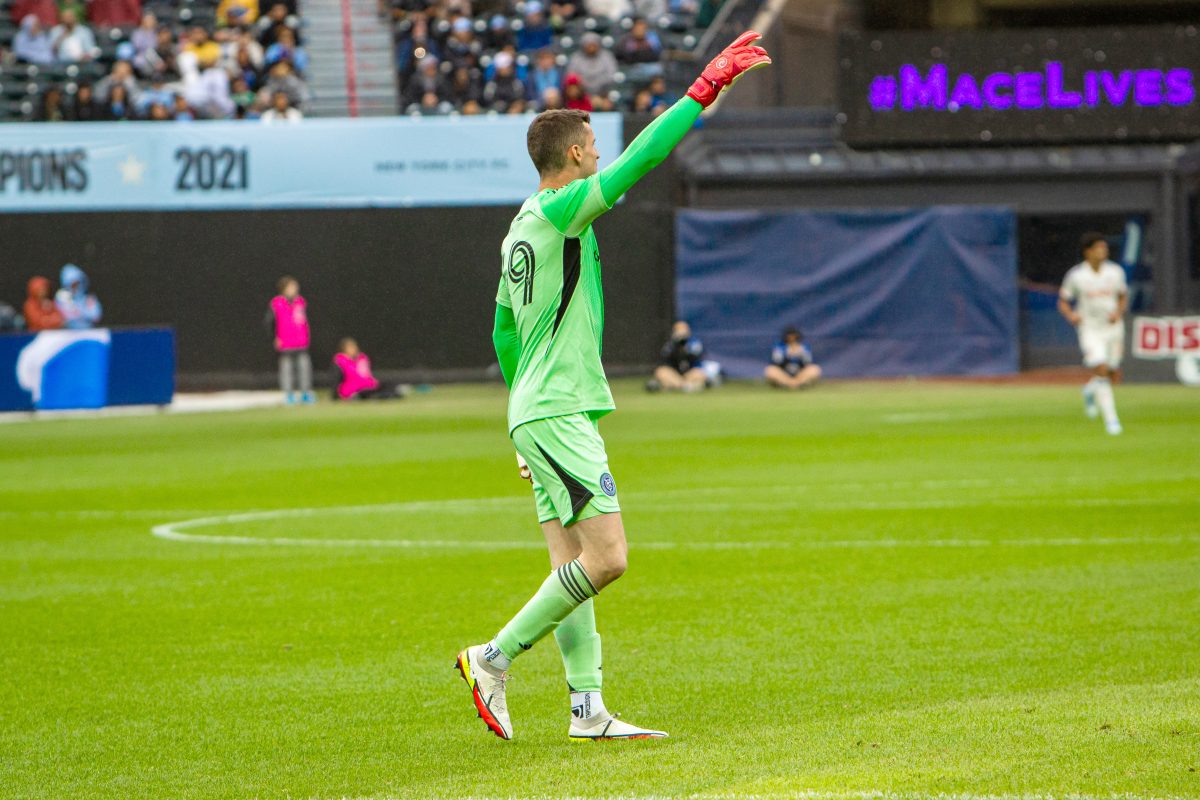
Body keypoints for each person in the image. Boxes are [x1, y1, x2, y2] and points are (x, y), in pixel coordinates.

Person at [455, 31, 770, 742]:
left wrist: (520, 421)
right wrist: (704, 89)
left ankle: (586, 709)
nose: (600, 153)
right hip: (556, 408)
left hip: (537, 409)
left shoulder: (518, 230)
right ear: (572, 155)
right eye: (593, 145)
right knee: (608, 558)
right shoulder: (563, 210)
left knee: (570, 562)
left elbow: (503, 332)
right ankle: (492, 658)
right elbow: (644, 159)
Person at [1058, 232, 1128, 435]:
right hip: (1090, 328)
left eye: (1104, 247)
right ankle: (1112, 421)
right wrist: (1071, 315)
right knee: (1101, 368)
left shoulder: (1115, 272)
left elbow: (1122, 296)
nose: (1103, 251)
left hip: (1113, 328)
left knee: (1112, 373)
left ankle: (1089, 390)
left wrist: (1118, 312)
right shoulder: (1076, 275)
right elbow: (1063, 300)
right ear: (1087, 251)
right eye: (1098, 248)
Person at [648, 319, 711, 392]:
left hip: (690, 372)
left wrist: (685, 348)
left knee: (699, 373)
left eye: (684, 329)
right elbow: (665, 357)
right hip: (675, 374)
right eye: (679, 330)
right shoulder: (670, 344)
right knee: (661, 371)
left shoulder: (694, 343)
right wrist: (676, 344)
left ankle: (671, 386)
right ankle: (684, 386)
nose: (681, 332)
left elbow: (697, 355)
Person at [332, 338, 401, 400]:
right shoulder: (340, 362)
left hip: (368, 385)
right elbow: (336, 381)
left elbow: (366, 375)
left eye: (354, 346)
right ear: (343, 349)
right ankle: (383, 396)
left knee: (389, 384)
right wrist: (337, 396)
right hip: (355, 390)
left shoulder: (361, 359)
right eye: (350, 347)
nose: (353, 349)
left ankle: (386, 395)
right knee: (367, 392)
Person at [566, 32, 616, 98]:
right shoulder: (576, 57)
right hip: (582, 92)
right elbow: (571, 75)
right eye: (588, 45)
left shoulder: (607, 56)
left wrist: (597, 84)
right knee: (572, 89)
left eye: (593, 45)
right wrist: (583, 83)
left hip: (603, 92)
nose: (591, 47)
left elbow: (611, 75)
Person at [55, 264, 102, 329]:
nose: (76, 287)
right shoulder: (61, 298)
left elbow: (96, 316)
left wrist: (78, 313)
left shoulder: (89, 299)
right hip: (68, 333)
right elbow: (61, 318)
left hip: (88, 331)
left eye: (77, 283)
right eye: (72, 284)